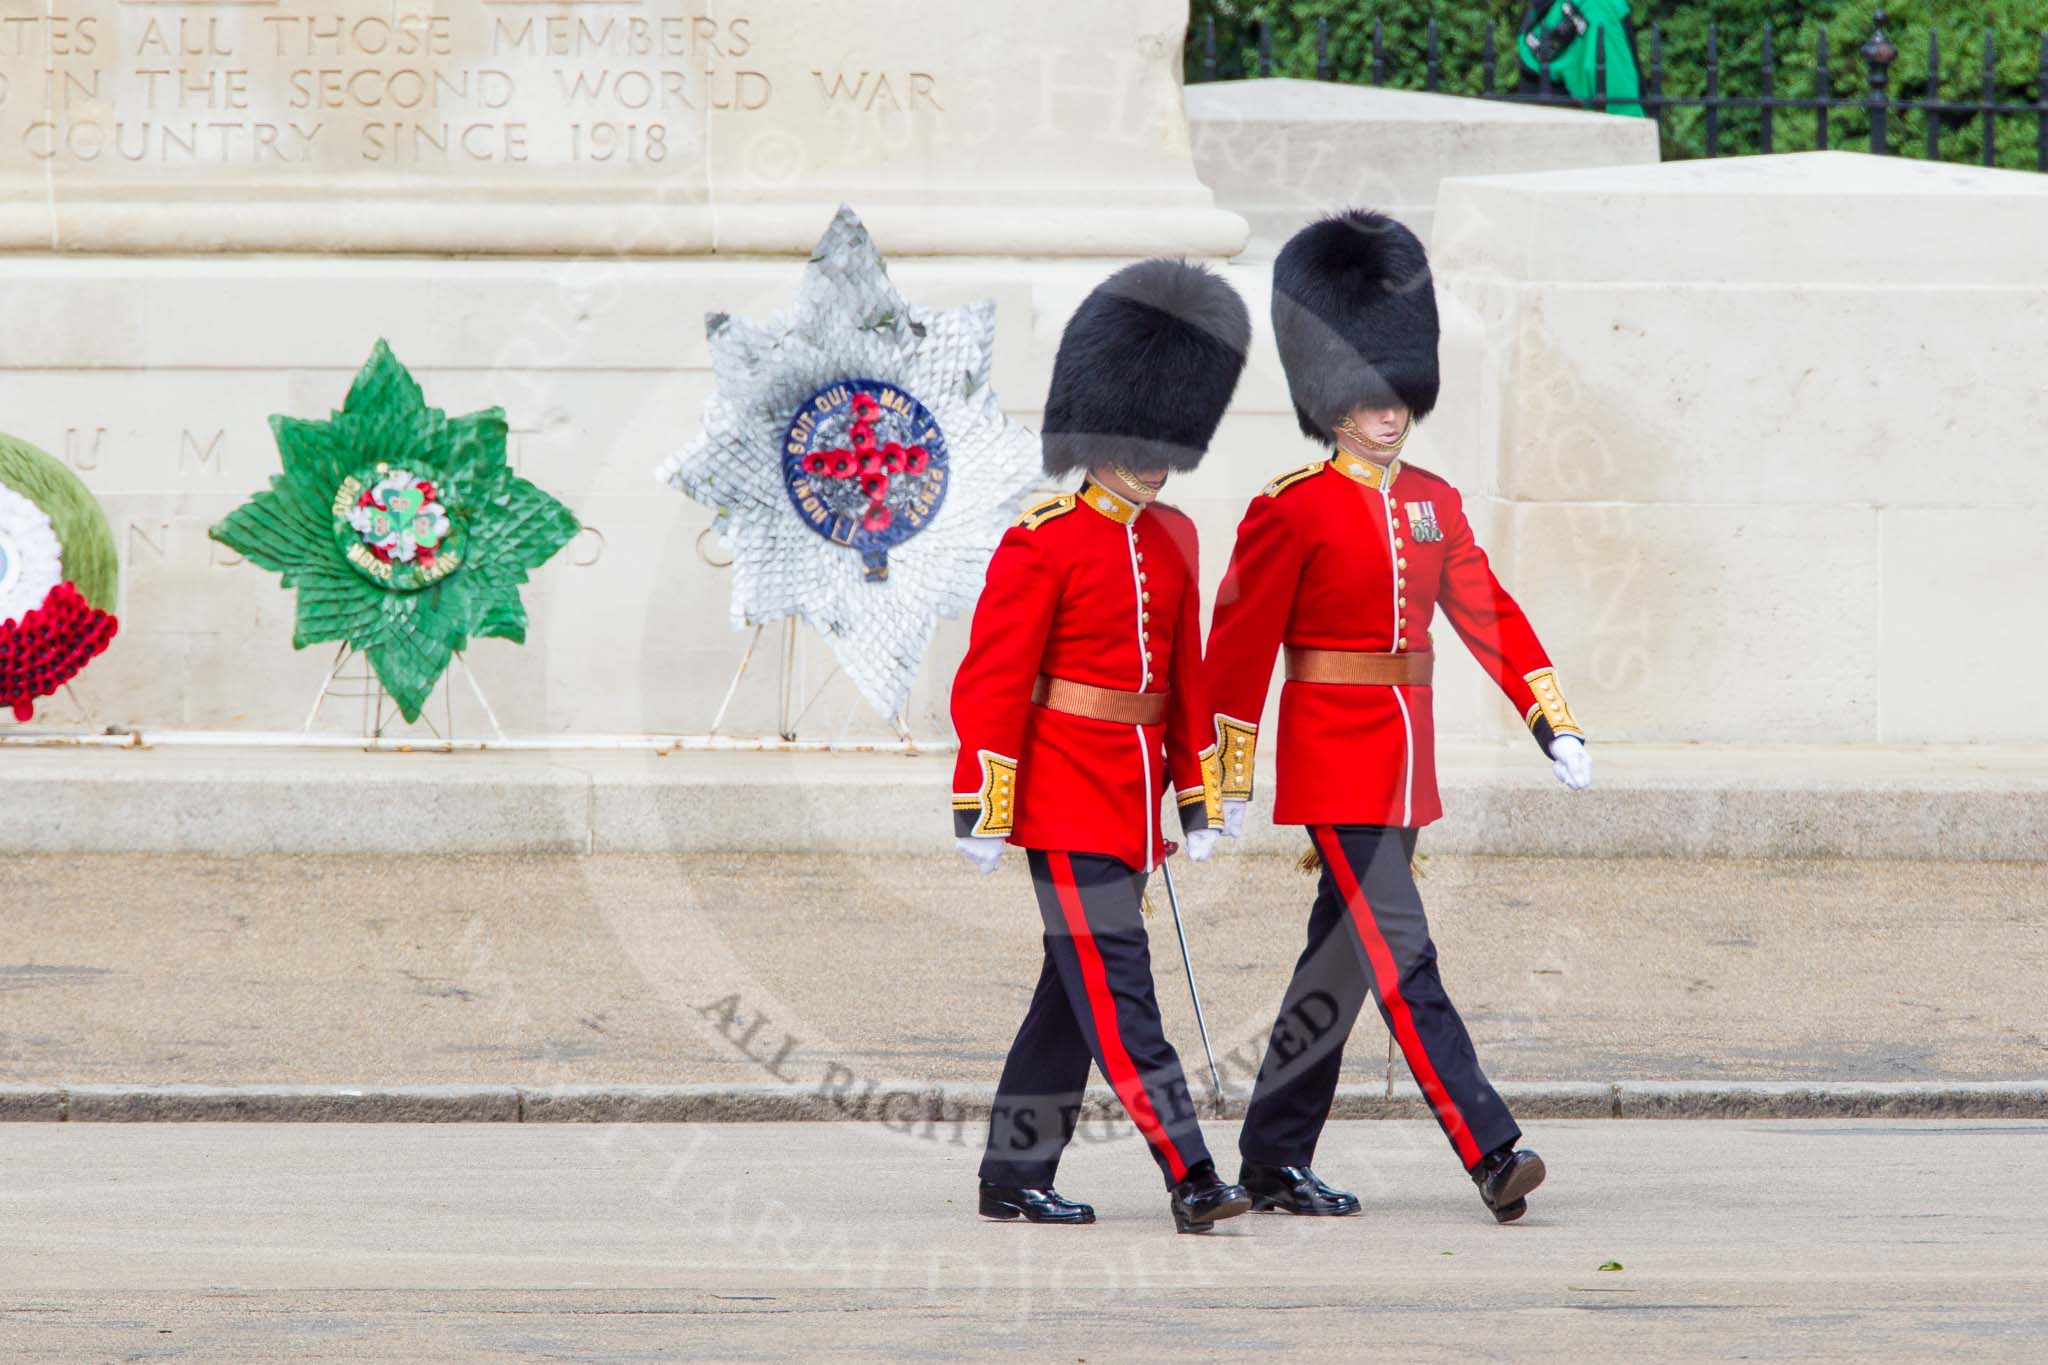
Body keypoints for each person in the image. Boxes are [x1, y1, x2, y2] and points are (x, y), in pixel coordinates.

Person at [1205, 209, 1592, 1224]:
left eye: (1396, 398)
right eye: (1370, 399)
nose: (1388, 416)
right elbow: (1237, 652)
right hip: (1333, 759)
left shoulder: (1433, 501)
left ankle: (1272, 1158)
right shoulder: (1288, 508)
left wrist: (1547, 716)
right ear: (1332, 402)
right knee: (1403, 960)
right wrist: (1218, 783)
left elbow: (1487, 614)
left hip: (1403, 764)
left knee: (1333, 964)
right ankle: (1489, 1149)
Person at [951, 257, 1253, 1234]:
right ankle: (1191, 1173)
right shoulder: (1041, 539)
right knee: (1122, 994)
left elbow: (1184, 683)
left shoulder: (1171, 538)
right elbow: (990, 683)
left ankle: (1011, 1171)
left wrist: (1199, 797)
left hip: (1128, 807)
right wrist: (984, 805)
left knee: (1069, 995)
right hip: (1061, 799)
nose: (1156, 455)